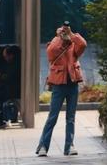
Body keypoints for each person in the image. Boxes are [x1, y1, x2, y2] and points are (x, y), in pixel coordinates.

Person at [36, 21, 86, 157]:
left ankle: (69, 146)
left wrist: (71, 34)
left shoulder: (74, 44)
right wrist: (59, 37)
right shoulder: (55, 42)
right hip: (59, 84)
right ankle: (43, 146)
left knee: (71, 118)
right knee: (52, 117)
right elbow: (51, 53)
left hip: (72, 84)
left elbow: (83, 44)